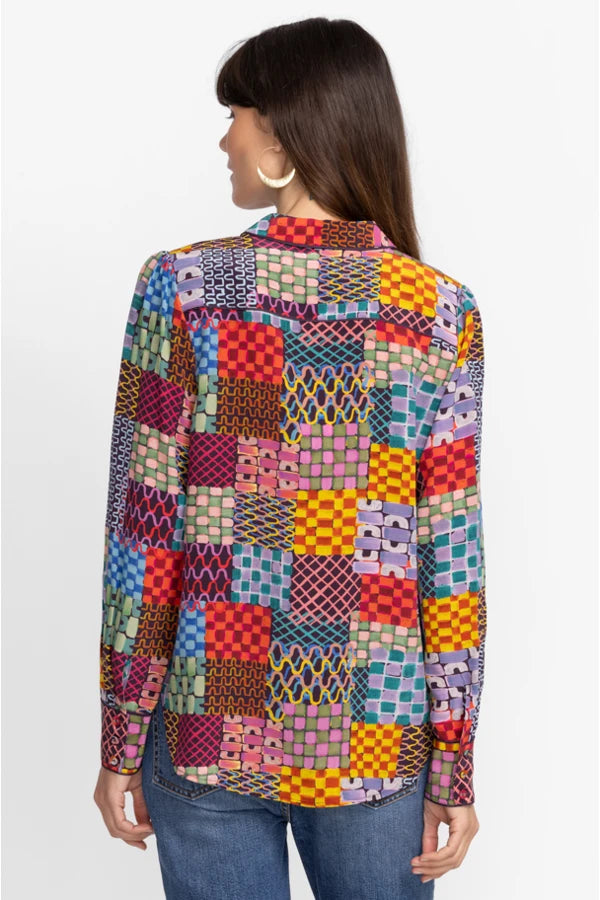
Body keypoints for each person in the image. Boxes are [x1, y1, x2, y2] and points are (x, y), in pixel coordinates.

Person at [94, 16, 485, 900]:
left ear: (283, 135)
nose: (224, 140)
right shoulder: (437, 313)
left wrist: (121, 736)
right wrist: (454, 762)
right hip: (373, 736)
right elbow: (450, 560)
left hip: (205, 727)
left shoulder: (182, 288)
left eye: (236, 114)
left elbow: (143, 539)